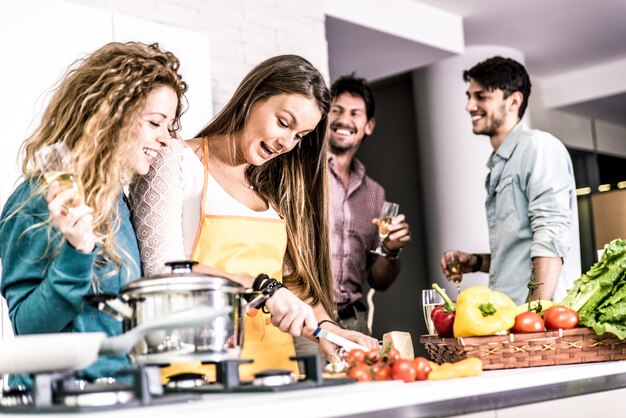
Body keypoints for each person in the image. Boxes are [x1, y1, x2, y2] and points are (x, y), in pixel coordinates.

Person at [129, 55, 378, 381]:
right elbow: (162, 272)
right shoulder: (176, 160)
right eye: (284, 123)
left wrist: (329, 332)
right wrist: (262, 288)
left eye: (300, 136)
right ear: (252, 99)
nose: (287, 143)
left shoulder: (274, 187)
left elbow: (292, 285)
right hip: (194, 370)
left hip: (273, 372)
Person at [0, 41, 187, 386]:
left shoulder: (118, 202)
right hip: (56, 402)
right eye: (155, 123)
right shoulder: (36, 201)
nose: (165, 139)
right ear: (111, 114)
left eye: (169, 126)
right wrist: (77, 253)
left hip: (114, 396)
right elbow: (28, 328)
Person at [439, 56, 580, 305]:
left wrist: (532, 316)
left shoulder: (538, 147)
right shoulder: (500, 164)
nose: (469, 106)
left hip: (537, 322)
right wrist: (476, 262)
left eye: (481, 97)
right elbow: (519, 252)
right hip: (509, 316)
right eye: (469, 96)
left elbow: (551, 239)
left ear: (514, 100)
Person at [325, 74, 411, 335]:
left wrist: (391, 250)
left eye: (355, 113)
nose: (344, 120)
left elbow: (379, 280)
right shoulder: (302, 176)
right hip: (306, 319)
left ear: (369, 125)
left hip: (355, 323)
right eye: (336, 110)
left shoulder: (375, 193)